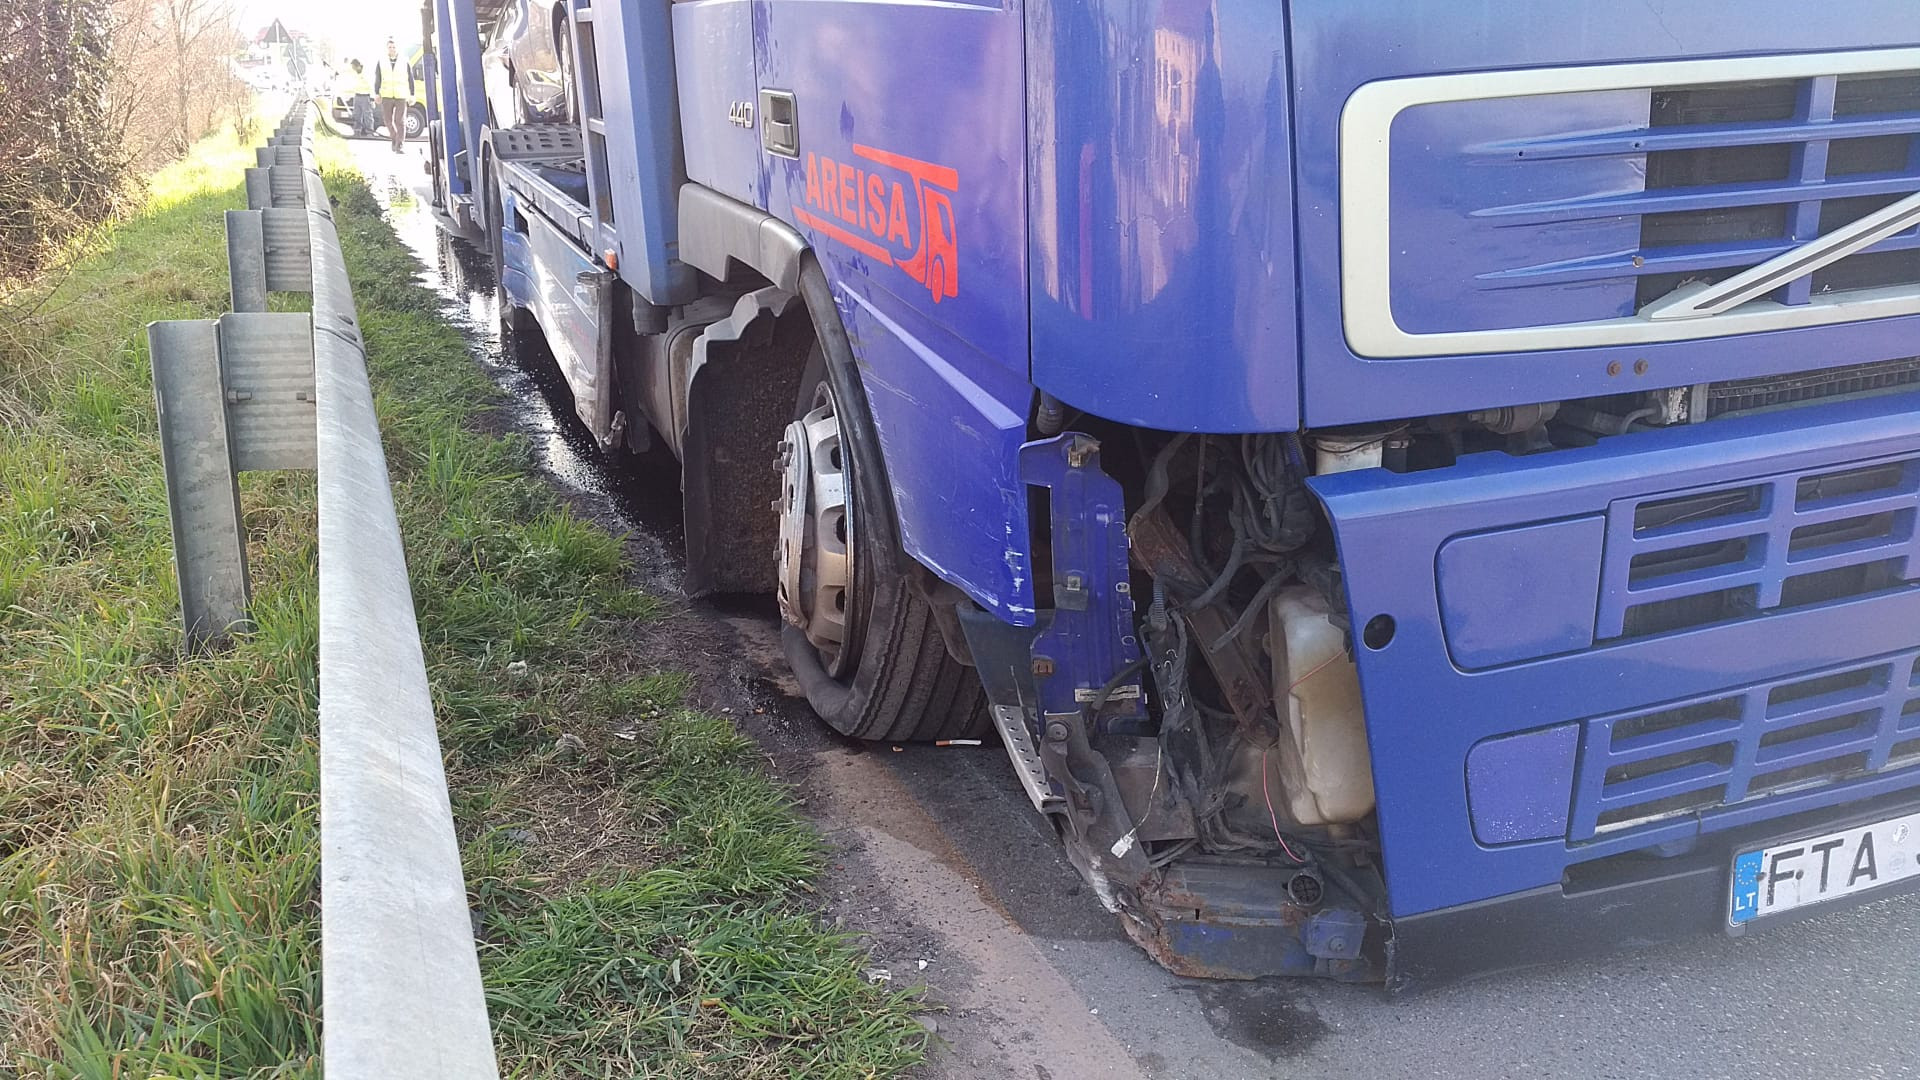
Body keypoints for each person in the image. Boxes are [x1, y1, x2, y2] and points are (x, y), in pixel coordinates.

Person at [372, 39, 414, 153]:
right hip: (386, 95)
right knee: (387, 120)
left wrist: (412, 95)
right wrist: (376, 93)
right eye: (390, 47)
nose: (392, 49)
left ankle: (400, 144)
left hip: (401, 95)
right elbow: (377, 78)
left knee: (399, 121)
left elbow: (411, 79)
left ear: (398, 48)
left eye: (394, 47)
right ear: (387, 48)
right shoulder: (381, 61)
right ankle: (394, 138)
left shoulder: (404, 61)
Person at [346, 59, 374, 137]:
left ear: (358, 66)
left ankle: (370, 132)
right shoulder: (354, 74)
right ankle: (357, 131)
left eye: (353, 67)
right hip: (357, 96)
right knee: (357, 114)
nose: (353, 68)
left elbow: (371, 86)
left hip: (365, 96)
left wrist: (372, 99)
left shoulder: (366, 74)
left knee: (367, 115)